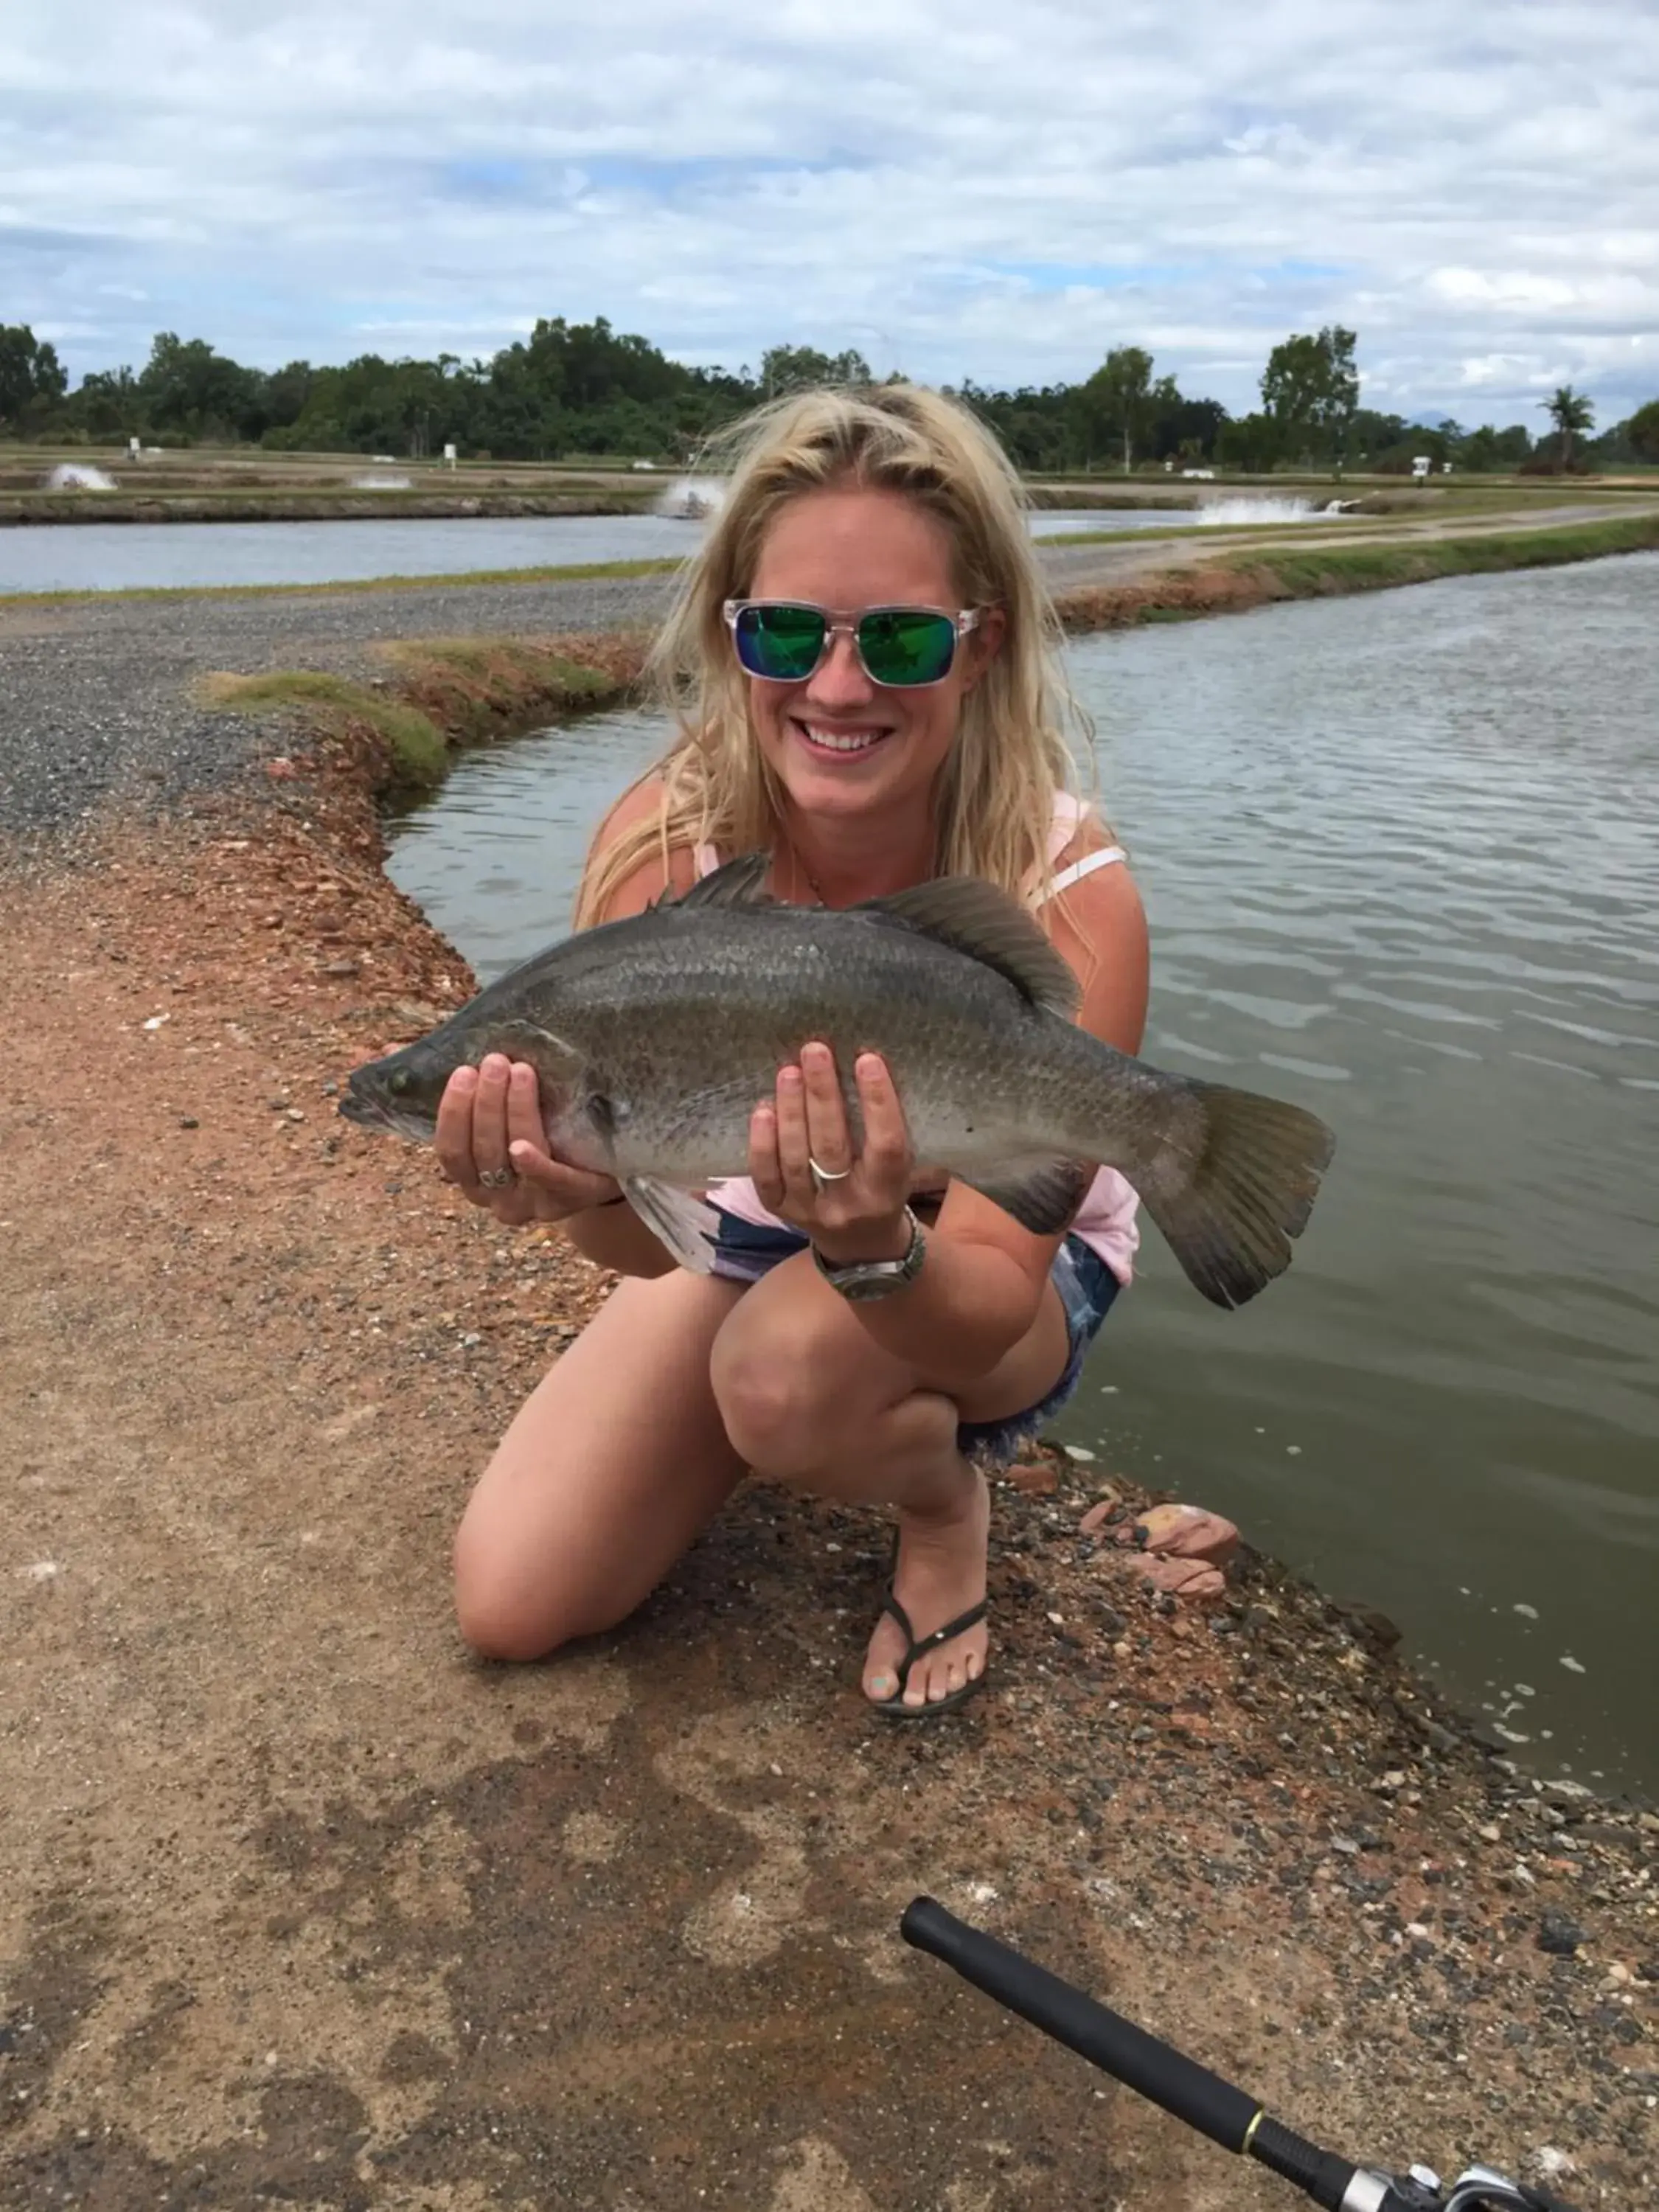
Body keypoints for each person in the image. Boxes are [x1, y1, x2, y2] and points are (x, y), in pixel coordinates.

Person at [439, 383, 1149, 1719]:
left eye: (897, 638)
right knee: (513, 1600)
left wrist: (874, 1246)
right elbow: (648, 1242)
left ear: (977, 646)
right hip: (742, 1221)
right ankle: (808, 1372)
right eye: (783, 633)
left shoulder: (1071, 888)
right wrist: (580, 1193)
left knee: (784, 1374)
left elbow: (994, 1289)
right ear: (733, 636)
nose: (836, 686)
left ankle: (941, 1506)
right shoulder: (662, 844)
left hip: (991, 1276)